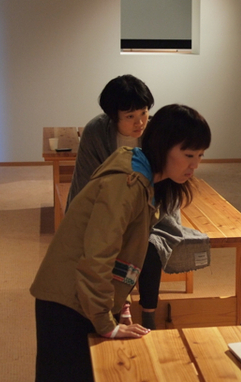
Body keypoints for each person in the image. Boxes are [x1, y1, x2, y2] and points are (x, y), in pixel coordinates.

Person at [31, 104, 212, 382]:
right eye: (189, 155)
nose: (195, 165)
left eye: (200, 156)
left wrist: (122, 304)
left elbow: (123, 253)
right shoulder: (127, 184)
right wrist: (106, 322)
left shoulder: (145, 177)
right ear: (163, 146)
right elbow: (97, 257)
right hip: (69, 301)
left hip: (86, 296)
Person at [67, 75, 210, 330]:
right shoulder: (98, 134)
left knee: (149, 245)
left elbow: (166, 189)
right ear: (113, 116)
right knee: (111, 244)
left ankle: (146, 314)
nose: (140, 122)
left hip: (152, 207)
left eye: (144, 112)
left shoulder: (156, 132)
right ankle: (119, 304)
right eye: (130, 116)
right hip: (109, 206)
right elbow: (87, 183)